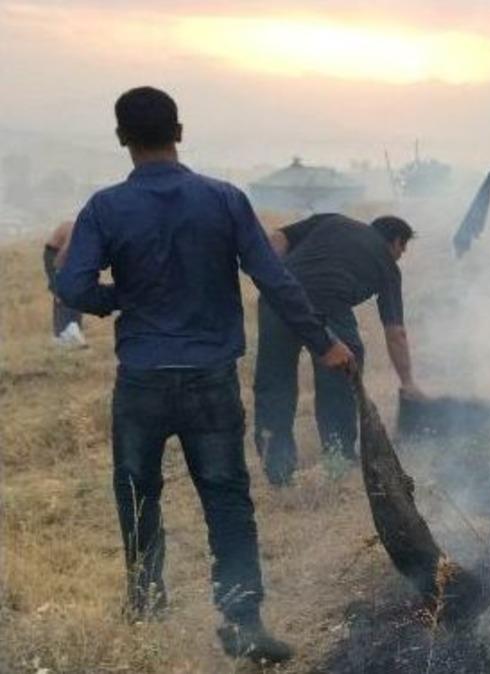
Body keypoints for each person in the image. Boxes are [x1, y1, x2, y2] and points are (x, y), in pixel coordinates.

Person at [55, 86, 355, 664]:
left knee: (138, 496)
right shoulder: (224, 199)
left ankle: (145, 607)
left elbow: (70, 287)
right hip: (210, 381)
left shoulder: (104, 207)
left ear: (122, 138)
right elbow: (274, 278)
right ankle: (242, 619)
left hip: (141, 380)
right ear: (180, 132)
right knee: (227, 501)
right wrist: (323, 343)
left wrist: (119, 297)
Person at [254, 213, 423, 485]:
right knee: (342, 372)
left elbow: (278, 237)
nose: (400, 256)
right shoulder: (387, 264)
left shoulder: (331, 220)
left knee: (274, 382)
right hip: (328, 304)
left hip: (278, 296)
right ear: (395, 241)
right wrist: (408, 382)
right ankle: (338, 458)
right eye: (402, 249)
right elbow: (395, 333)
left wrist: (274, 275)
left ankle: (277, 469)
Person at [43, 220, 85, 346]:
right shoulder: (76, 230)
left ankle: (75, 330)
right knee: (61, 293)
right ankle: (61, 334)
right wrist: (59, 278)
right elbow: (62, 255)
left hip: (70, 256)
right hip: (54, 255)